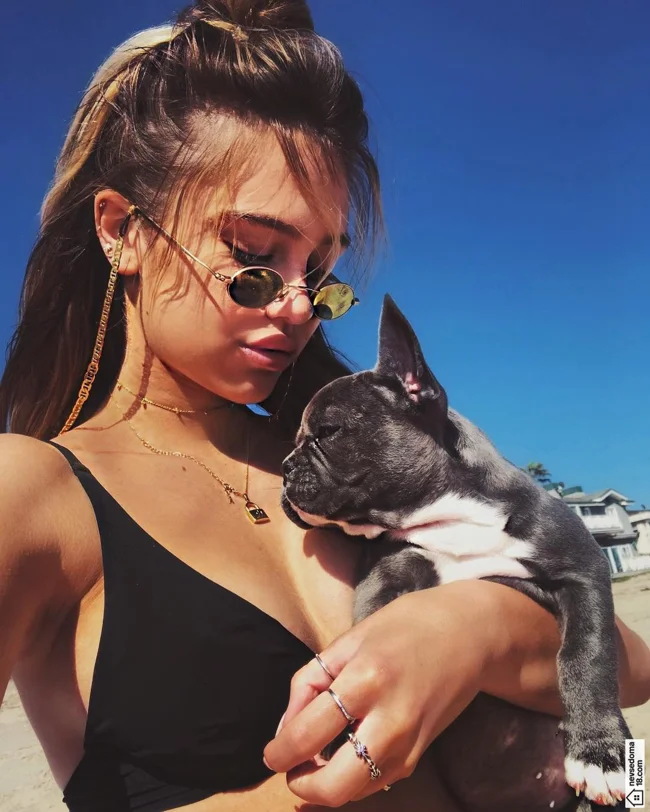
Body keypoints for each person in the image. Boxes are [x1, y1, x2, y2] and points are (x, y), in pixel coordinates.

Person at [0, 1, 648, 810]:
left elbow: (635, 667)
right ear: (122, 230)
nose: (301, 305)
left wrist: (473, 633)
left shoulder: (344, 465)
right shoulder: (29, 494)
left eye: (320, 272)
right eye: (253, 257)